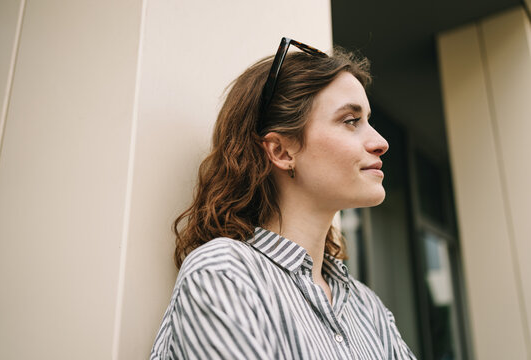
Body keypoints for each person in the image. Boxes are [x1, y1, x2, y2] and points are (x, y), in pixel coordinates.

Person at [150, 37, 417, 360]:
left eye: (369, 121)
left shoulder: (368, 308)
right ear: (280, 150)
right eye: (351, 121)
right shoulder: (224, 274)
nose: (380, 142)